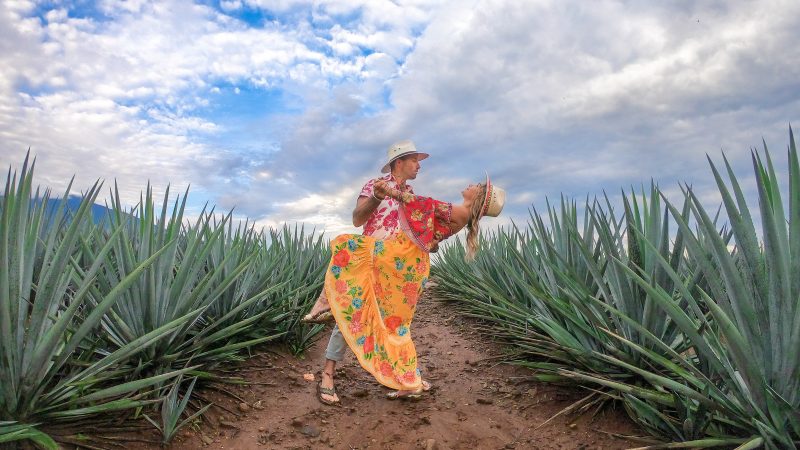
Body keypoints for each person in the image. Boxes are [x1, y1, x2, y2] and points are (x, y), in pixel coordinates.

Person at [306, 142, 505, 404]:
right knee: (355, 311)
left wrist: (424, 243)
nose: (419, 165)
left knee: (390, 323)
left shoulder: (412, 194)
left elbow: (428, 234)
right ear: (399, 162)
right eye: (414, 160)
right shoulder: (373, 185)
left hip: (395, 267)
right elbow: (358, 219)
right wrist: (379, 196)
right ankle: (330, 371)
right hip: (374, 259)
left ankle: (403, 375)